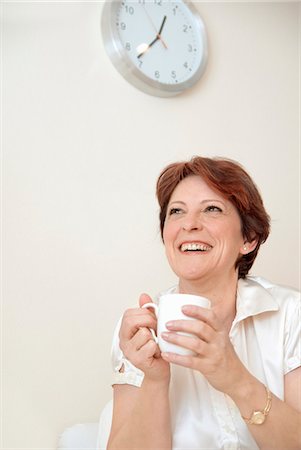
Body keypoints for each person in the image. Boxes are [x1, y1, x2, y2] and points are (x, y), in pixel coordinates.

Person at [105, 156, 301, 449]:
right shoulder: (140, 329)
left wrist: (235, 378)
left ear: (248, 237)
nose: (190, 225)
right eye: (176, 212)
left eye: (211, 209)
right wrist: (155, 381)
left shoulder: (291, 314)